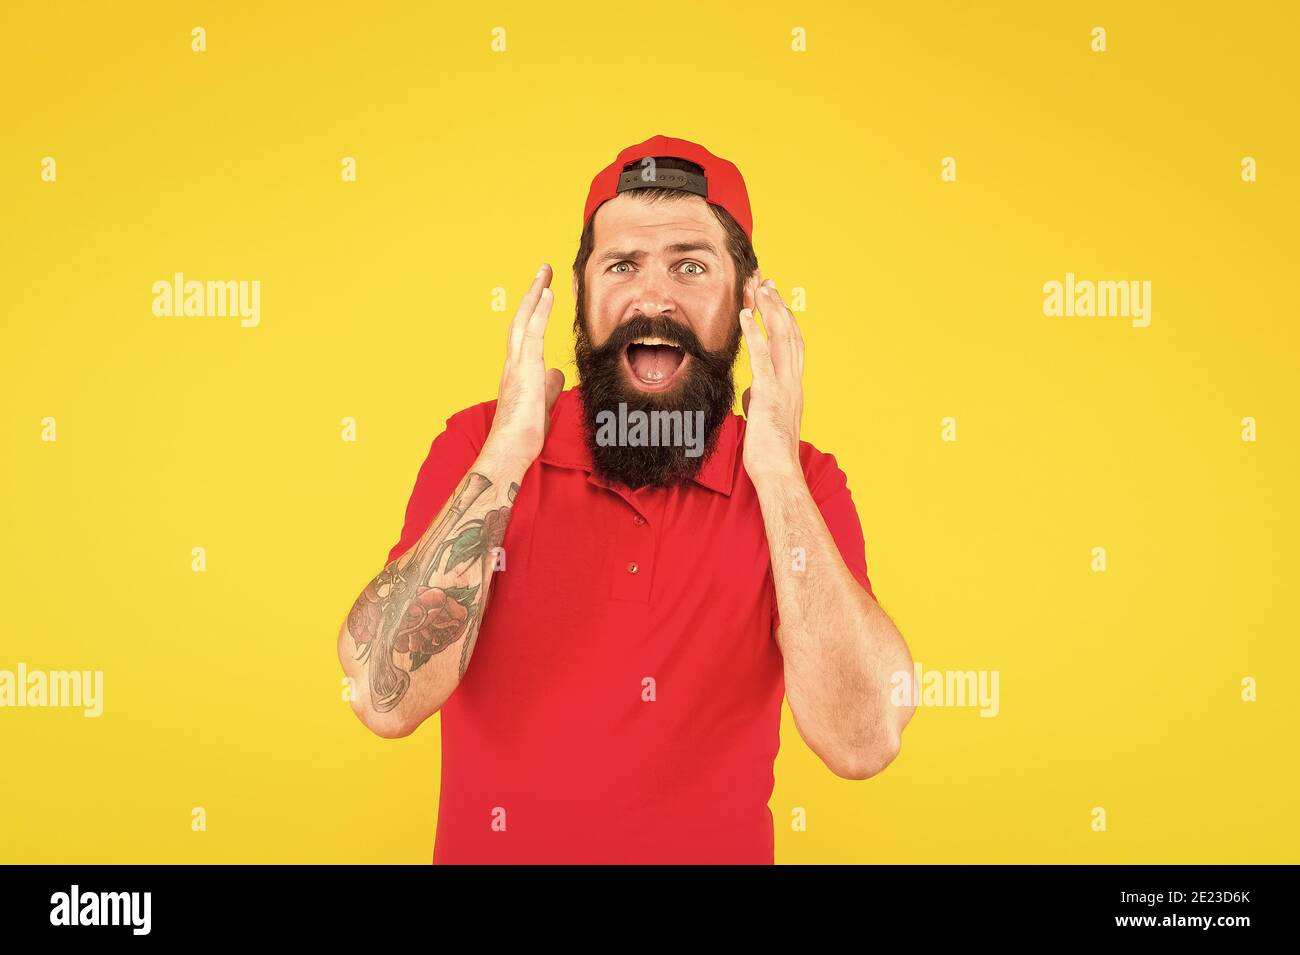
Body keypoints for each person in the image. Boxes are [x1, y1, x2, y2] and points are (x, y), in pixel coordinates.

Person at [337, 135, 915, 864]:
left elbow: (864, 741)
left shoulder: (800, 481)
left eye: (691, 265)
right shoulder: (480, 449)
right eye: (622, 265)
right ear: (581, 295)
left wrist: (773, 470)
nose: (653, 296)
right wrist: (512, 449)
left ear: (745, 298)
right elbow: (380, 698)